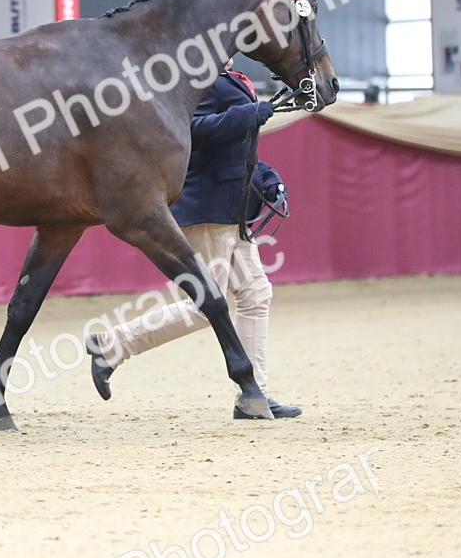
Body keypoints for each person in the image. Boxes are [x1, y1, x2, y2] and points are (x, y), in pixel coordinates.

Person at [85, 60, 301, 420]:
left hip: (233, 204)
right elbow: (192, 131)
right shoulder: (196, 81)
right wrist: (249, 115)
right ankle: (113, 345)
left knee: (255, 294)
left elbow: (241, 148)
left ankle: (254, 394)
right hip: (208, 206)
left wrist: (267, 177)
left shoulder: (230, 78)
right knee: (205, 304)